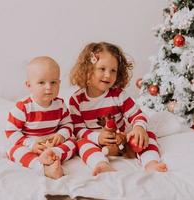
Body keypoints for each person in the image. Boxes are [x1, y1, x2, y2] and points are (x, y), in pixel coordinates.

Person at [69, 42, 168, 176]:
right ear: (88, 69)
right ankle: (101, 164)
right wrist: (98, 138)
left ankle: (151, 163)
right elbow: (78, 130)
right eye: (102, 69)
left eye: (113, 70)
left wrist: (138, 128)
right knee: (81, 144)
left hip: (121, 141)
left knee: (147, 135)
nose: (108, 75)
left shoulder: (118, 94)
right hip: (96, 143)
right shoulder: (76, 100)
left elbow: (138, 115)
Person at [5, 56, 77, 179]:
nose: (48, 87)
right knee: (14, 151)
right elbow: (11, 131)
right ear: (29, 85)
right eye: (41, 82)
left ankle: (53, 156)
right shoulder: (23, 107)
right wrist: (30, 144)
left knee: (72, 143)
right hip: (31, 145)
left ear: (59, 83)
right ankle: (42, 167)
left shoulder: (60, 104)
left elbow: (68, 124)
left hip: (52, 144)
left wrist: (61, 135)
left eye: (53, 82)